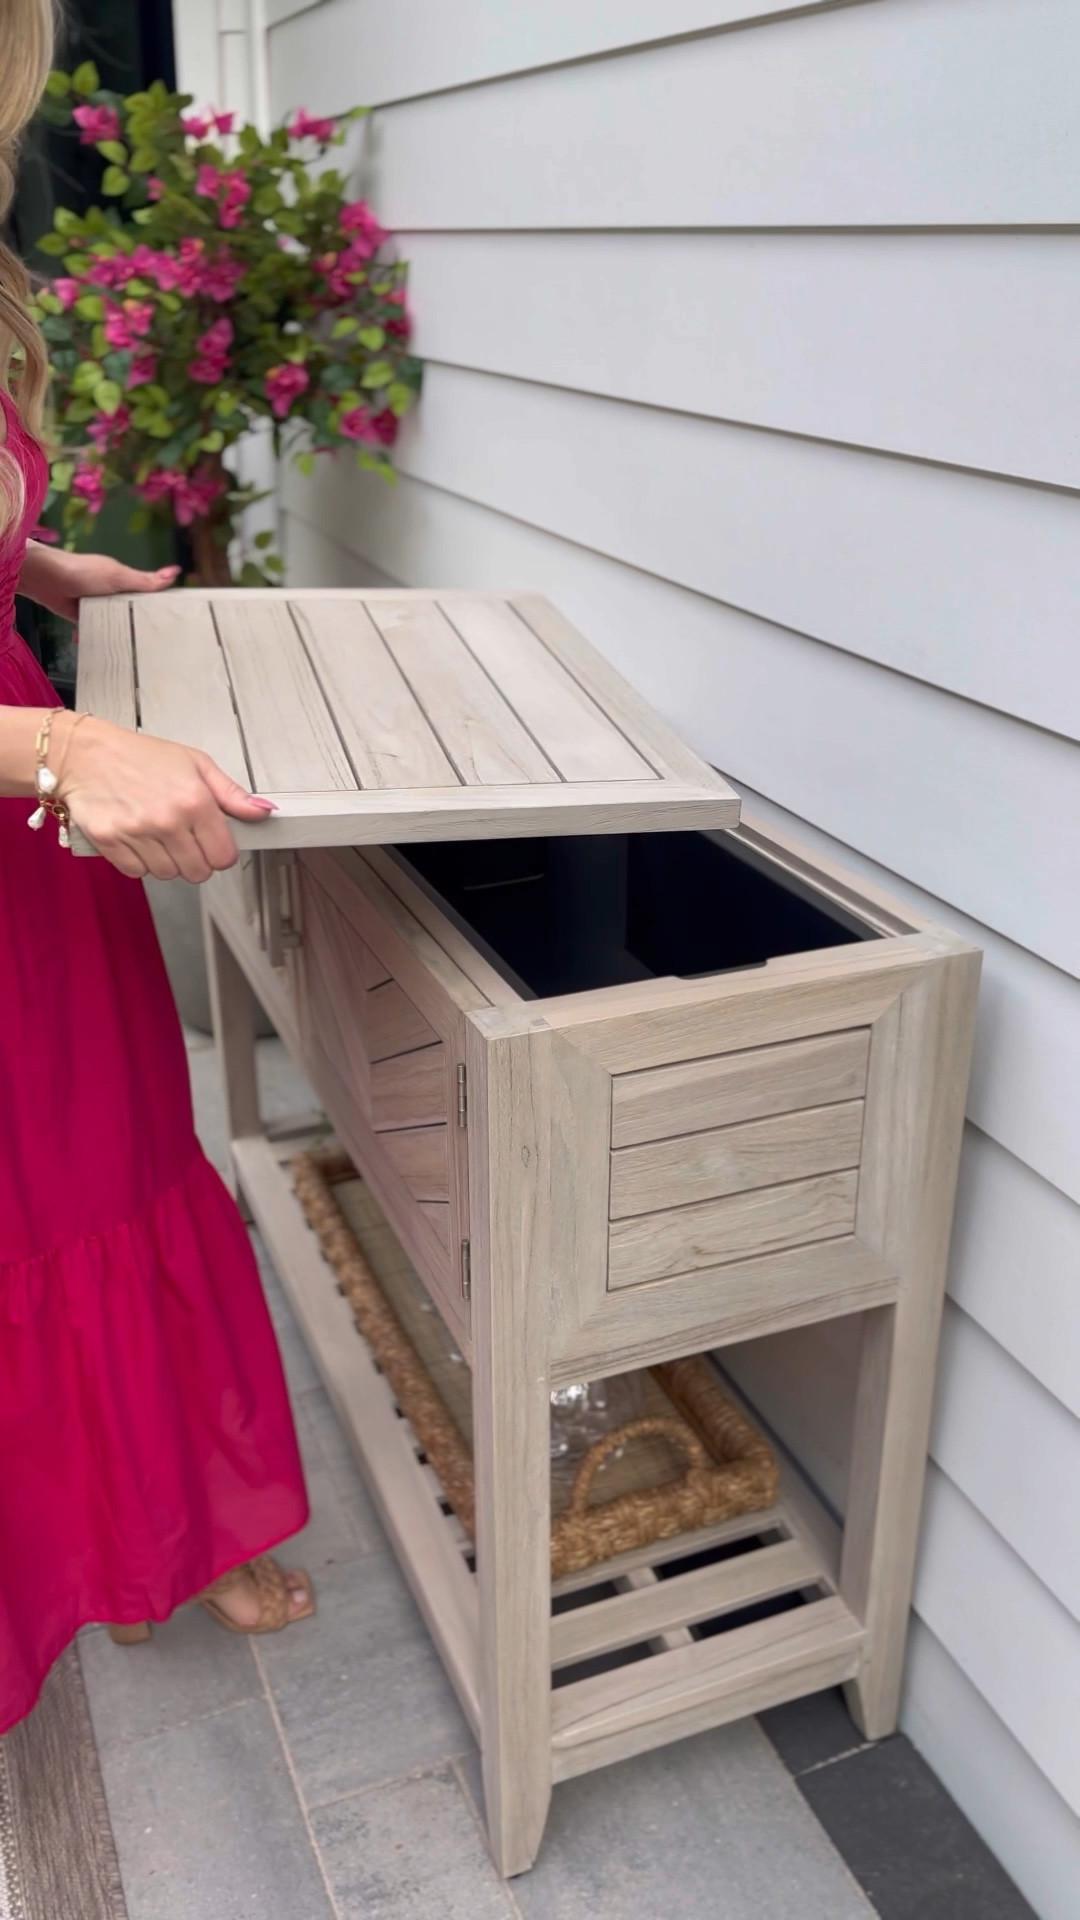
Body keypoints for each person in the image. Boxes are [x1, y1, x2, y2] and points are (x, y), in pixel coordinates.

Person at [0, 0, 313, 1736]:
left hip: (29, 831)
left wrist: (45, 579)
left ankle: (146, 1531)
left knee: (102, 1167)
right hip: (31, 781)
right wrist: (67, 748)